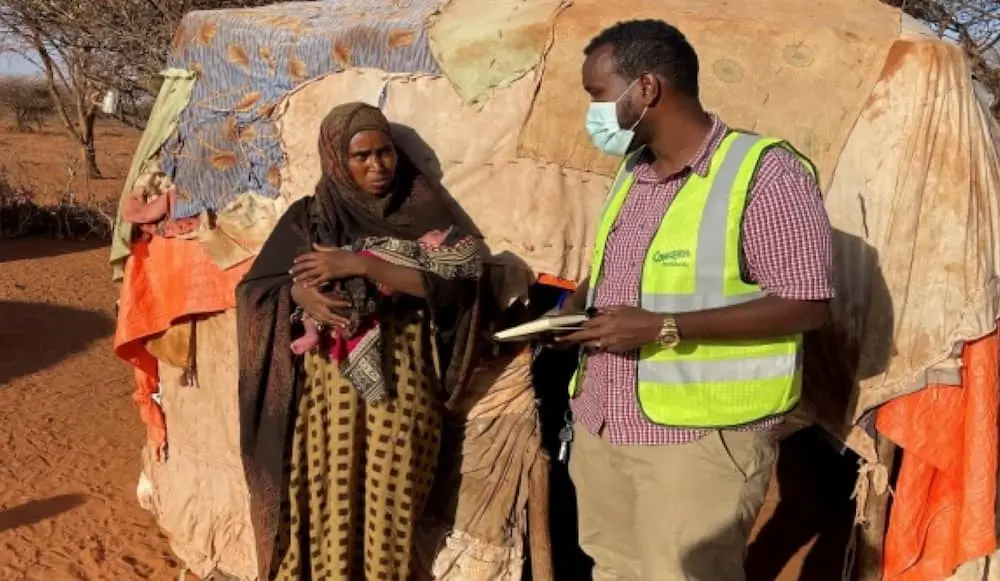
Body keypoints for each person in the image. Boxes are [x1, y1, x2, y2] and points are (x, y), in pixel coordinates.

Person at [552, 19, 835, 581]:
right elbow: (611, 271)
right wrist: (567, 315)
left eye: (598, 95)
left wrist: (663, 326)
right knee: (612, 570)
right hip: (602, 422)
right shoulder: (633, 171)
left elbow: (808, 303)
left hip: (698, 443)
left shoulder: (764, 173)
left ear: (647, 89)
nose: (592, 113)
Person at [236, 102, 484, 581]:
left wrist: (361, 265)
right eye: (361, 156)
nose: (377, 166)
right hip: (326, 397)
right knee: (323, 497)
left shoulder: (424, 211)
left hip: (402, 384)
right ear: (336, 160)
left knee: (390, 508)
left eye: (384, 152)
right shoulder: (309, 220)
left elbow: (461, 280)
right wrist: (299, 292)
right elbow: (256, 290)